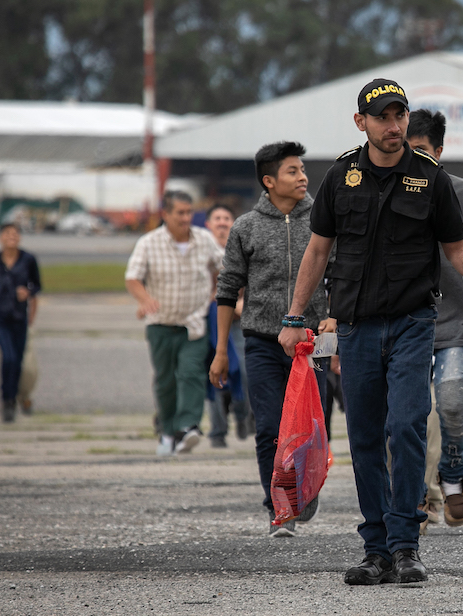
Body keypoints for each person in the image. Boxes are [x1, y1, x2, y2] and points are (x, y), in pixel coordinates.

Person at [278, 78, 463, 586]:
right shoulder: (341, 176)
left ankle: (406, 545)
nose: (393, 125)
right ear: (360, 122)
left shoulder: (431, 179)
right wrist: (296, 318)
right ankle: (376, 549)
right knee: (363, 435)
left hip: (411, 322)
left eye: (399, 115)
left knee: (405, 425)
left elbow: (458, 253)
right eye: (382, 116)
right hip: (356, 328)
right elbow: (318, 251)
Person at [210, 141, 331, 538]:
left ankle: (305, 490)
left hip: (315, 341)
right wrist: (220, 351)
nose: (302, 177)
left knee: (315, 424)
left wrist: (335, 319)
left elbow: (343, 273)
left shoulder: (324, 219)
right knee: (268, 427)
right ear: (269, 180)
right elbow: (228, 288)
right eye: (292, 171)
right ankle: (279, 506)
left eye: (302, 169)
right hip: (261, 340)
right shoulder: (245, 227)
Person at [406, 109, 463, 530]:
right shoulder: (393, 191)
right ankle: (415, 497)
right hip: (407, 322)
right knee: (409, 413)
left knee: (452, 403)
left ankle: (453, 476)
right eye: (407, 150)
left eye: (421, 150)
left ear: (439, 150)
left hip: (456, 320)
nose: (414, 158)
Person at [125, 190, 223, 456]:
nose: (185, 218)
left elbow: (224, 268)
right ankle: (167, 431)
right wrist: (145, 300)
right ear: (165, 214)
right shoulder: (149, 242)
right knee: (166, 380)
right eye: (179, 212)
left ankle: (187, 427)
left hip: (194, 324)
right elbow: (133, 277)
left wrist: (219, 292)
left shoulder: (204, 240)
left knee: (191, 373)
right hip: (160, 324)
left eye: (189, 212)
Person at [0, 223, 42, 423]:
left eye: (15, 234)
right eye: (7, 234)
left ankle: (14, 397)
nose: (11, 237)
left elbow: (37, 284)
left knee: (18, 360)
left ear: (19, 238)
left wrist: (28, 292)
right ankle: (6, 400)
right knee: (8, 357)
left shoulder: (28, 259)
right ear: (0, 238)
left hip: (19, 316)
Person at [204, 204, 255, 448]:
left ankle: (244, 414)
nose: (222, 222)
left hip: (237, 321)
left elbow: (255, 281)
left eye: (227, 218)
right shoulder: (200, 249)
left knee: (243, 371)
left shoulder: (242, 247)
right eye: (217, 218)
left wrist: (241, 303)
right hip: (205, 322)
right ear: (208, 224)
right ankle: (217, 432)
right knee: (210, 375)